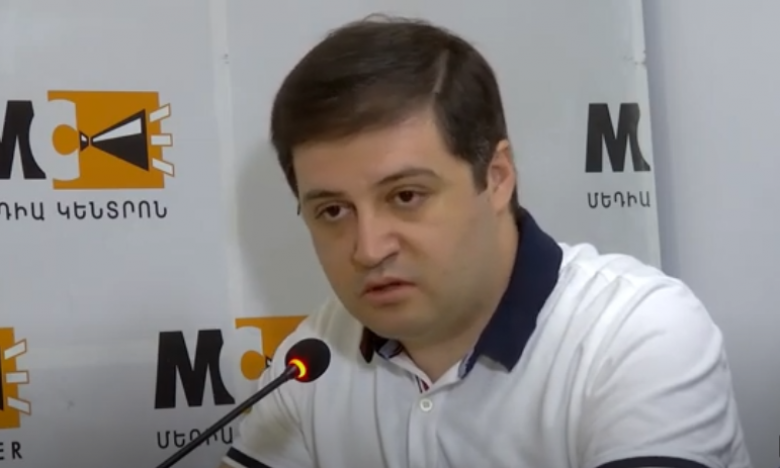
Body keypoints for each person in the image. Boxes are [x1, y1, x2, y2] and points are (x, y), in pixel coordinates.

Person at [219, 15, 751, 468]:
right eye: (333, 211)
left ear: (497, 177)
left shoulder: (636, 335)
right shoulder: (312, 360)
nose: (369, 248)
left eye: (406, 196)